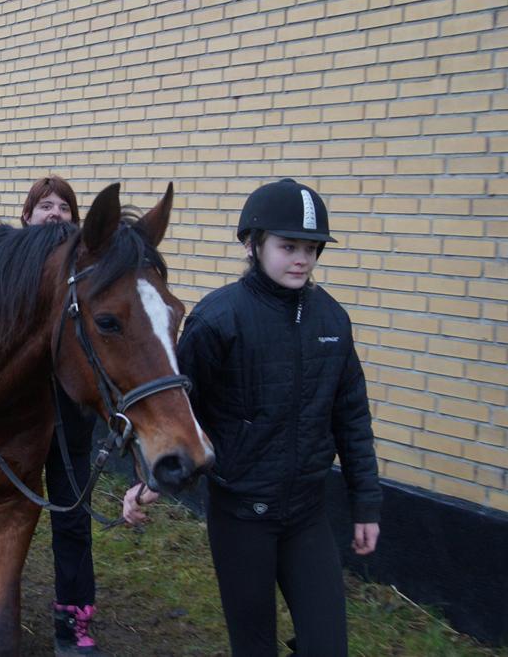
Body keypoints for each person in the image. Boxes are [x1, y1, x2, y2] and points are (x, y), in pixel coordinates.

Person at [123, 178, 382, 657]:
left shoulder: (332, 321)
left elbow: (351, 416)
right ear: (252, 244)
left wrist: (366, 504)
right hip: (242, 518)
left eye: (310, 249)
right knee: (254, 646)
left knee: (329, 647)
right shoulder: (218, 319)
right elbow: (179, 413)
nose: (301, 259)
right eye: (288, 247)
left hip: (307, 514)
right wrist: (153, 480)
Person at [0, 175, 105, 657]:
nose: (55, 213)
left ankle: (74, 617)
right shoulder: (9, 272)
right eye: (45, 206)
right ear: (26, 217)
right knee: (2, 497)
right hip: (17, 415)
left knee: (72, 512)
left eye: (65, 207)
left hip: (69, 416)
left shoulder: (85, 275)